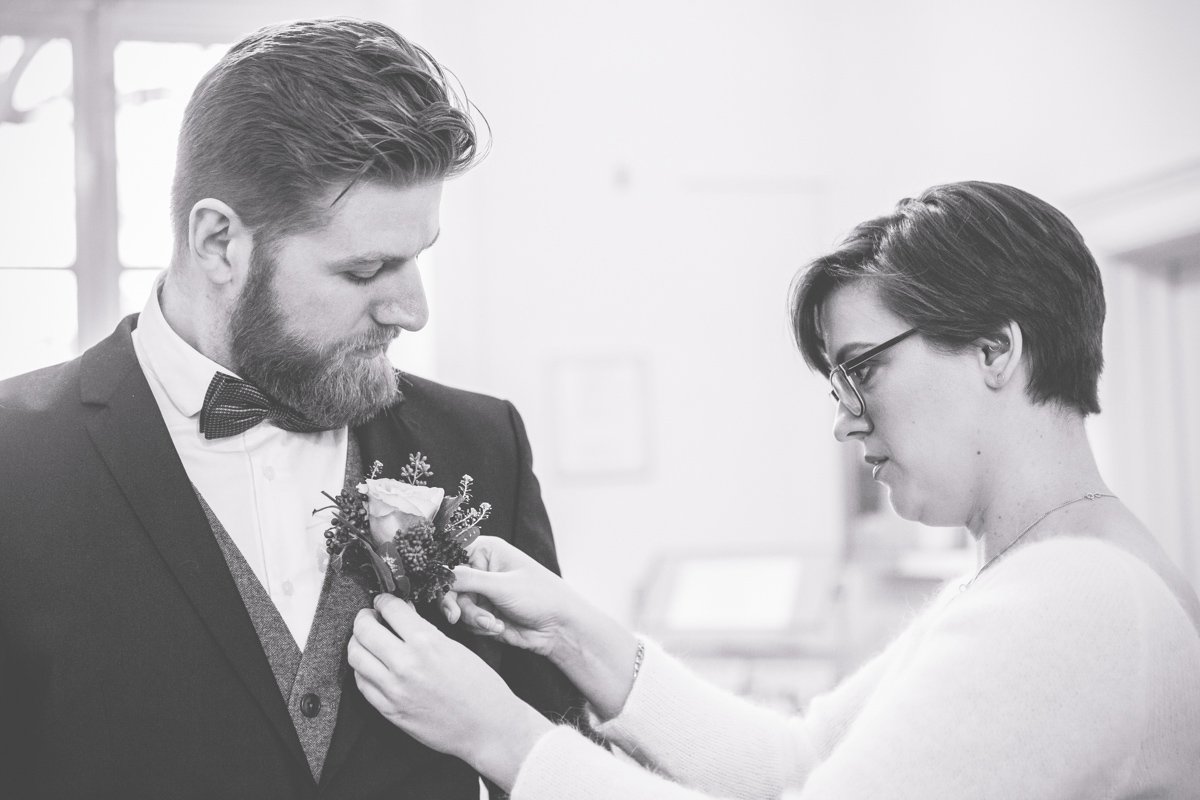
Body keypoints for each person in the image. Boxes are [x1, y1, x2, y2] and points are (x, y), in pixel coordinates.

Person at [348, 181, 1200, 798]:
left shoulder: (1075, 600)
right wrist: (573, 634)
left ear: (994, 349)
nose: (846, 421)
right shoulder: (1045, 572)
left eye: (863, 371)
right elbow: (798, 760)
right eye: (838, 386)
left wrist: (505, 737)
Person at [0, 18, 586, 799]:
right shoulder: (15, 463)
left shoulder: (482, 445)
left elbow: (555, 764)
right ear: (219, 243)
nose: (411, 310)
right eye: (368, 268)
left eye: (418, 259)